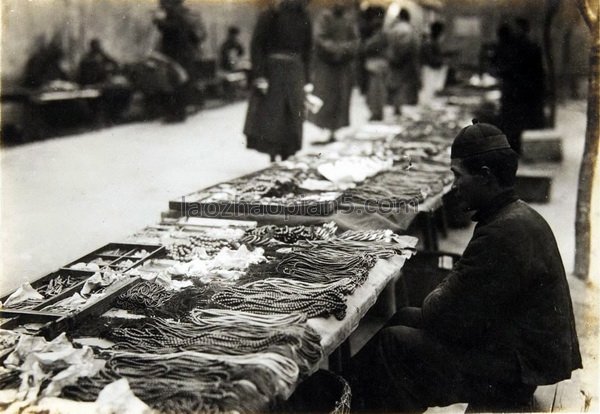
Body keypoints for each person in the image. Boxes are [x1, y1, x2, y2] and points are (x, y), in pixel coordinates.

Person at [346, 121, 582, 413]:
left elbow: (444, 314)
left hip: (520, 369)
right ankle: (345, 393)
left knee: (395, 346)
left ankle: (346, 399)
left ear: (484, 176)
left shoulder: (502, 231)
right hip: (518, 350)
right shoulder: (513, 214)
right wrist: (446, 292)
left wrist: (441, 292)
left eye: (458, 176)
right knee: (404, 316)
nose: (454, 186)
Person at [243, 0, 313, 162]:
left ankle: (288, 153)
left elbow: (308, 49)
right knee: (273, 115)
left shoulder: (304, 16)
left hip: (296, 71)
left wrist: (308, 79)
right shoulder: (270, 14)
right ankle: (273, 154)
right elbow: (257, 45)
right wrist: (260, 75)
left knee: (294, 114)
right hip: (273, 71)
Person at [309, 0, 360, 143]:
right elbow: (319, 38)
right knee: (325, 97)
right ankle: (325, 130)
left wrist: (343, 50)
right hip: (327, 65)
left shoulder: (348, 20)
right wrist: (336, 50)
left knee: (341, 98)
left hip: (343, 66)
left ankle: (334, 131)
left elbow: (355, 40)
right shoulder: (324, 18)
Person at [495, 18, 546, 154]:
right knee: (520, 122)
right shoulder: (531, 46)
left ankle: (513, 148)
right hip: (523, 91)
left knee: (513, 122)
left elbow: (508, 68)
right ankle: (516, 148)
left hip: (516, 91)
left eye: (518, 28)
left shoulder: (516, 47)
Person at [153, 0, 206, 121]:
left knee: (176, 84)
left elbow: (173, 28)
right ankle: (178, 113)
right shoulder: (183, 14)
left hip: (176, 56)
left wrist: (158, 22)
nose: (161, 7)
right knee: (179, 83)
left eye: (163, 4)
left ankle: (177, 114)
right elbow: (193, 36)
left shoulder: (175, 14)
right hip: (182, 55)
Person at [385, 8, 420, 115]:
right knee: (401, 84)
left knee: (394, 83)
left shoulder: (393, 28)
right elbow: (411, 46)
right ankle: (398, 107)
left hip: (392, 58)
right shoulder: (408, 29)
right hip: (404, 60)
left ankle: (396, 106)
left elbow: (388, 43)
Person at [362, 7, 388, 121]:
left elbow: (367, 47)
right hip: (379, 64)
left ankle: (376, 113)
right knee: (376, 91)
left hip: (375, 65)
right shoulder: (381, 33)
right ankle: (377, 112)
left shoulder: (379, 34)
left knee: (375, 91)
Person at [419, 21, 447, 105]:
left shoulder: (432, 43)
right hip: (429, 71)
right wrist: (442, 61)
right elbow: (431, 59)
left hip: (431, 71)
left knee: (430, 94)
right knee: (427, 94)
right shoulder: (429, 43)